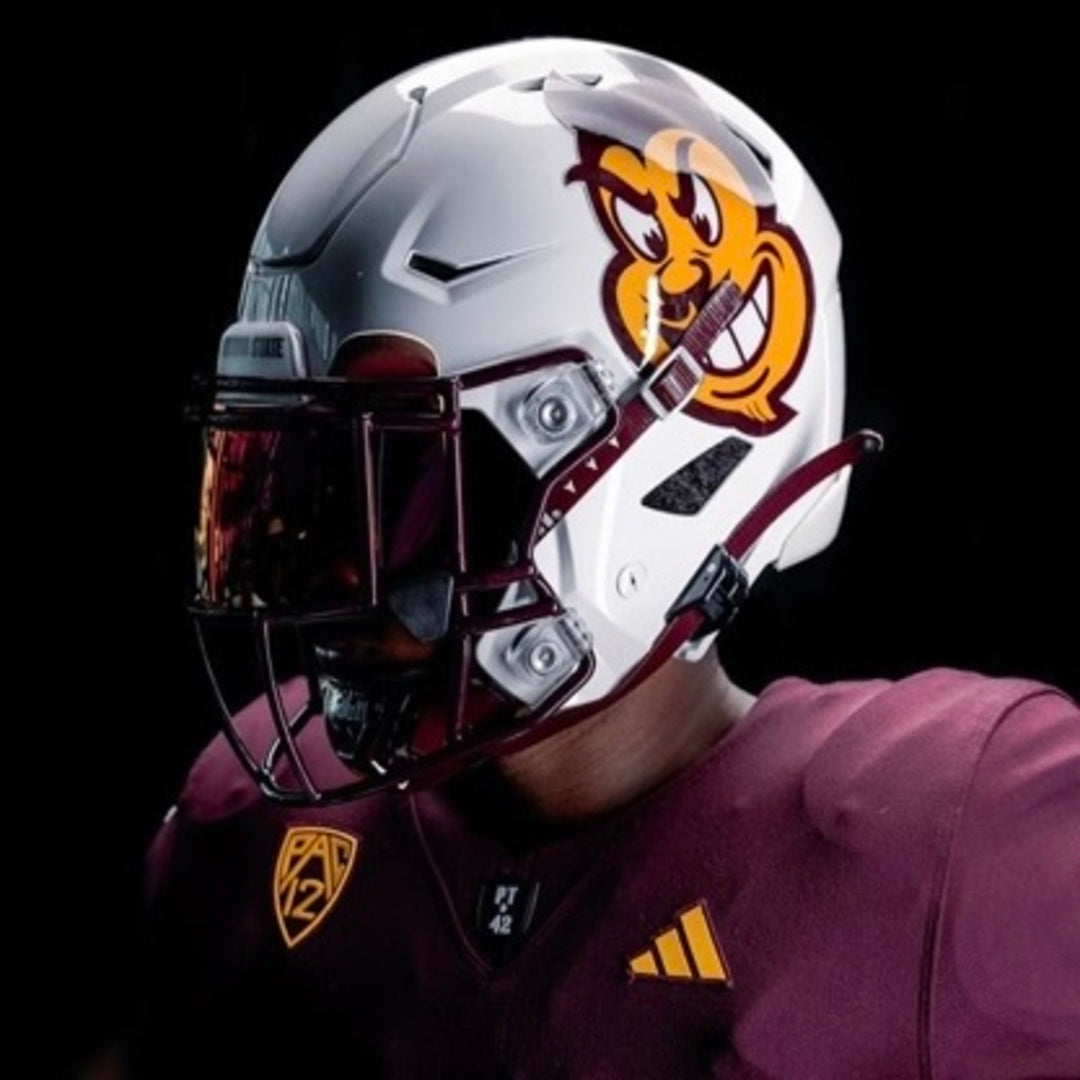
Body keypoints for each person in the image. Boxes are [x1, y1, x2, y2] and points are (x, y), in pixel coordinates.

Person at [124, 37, 1078, 1079]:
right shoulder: (244, 833)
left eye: (398, 487)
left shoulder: (958, 845)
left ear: (669, 456)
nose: (323, 572)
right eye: (294, 486)